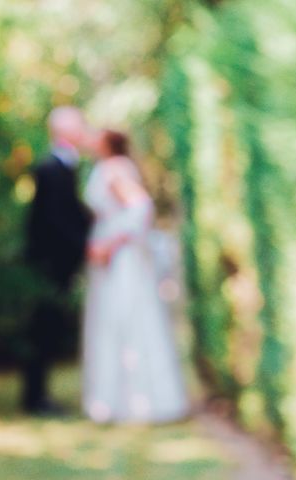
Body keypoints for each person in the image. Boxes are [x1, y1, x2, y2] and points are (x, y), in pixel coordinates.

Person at [82, 129, 189, 424]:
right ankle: (119, 402)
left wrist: (111, 243)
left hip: (121, 258)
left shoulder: (113, 169)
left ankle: (135, 403)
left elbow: (141, 207)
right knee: (113, 321)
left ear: (106, 143)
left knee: (124, 319)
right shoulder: (112, 168)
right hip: (115, 255)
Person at [23, 106, 92, 414]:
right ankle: (35, 398)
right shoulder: (50, 168)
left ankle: (39, 395)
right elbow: (53, 220)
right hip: (48, 265)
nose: (84, 130)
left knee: (49, 329)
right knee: (42, 328)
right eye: (80, 126)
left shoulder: (66, 166)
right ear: (65, 132)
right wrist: (85, 245)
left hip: (58, 264)